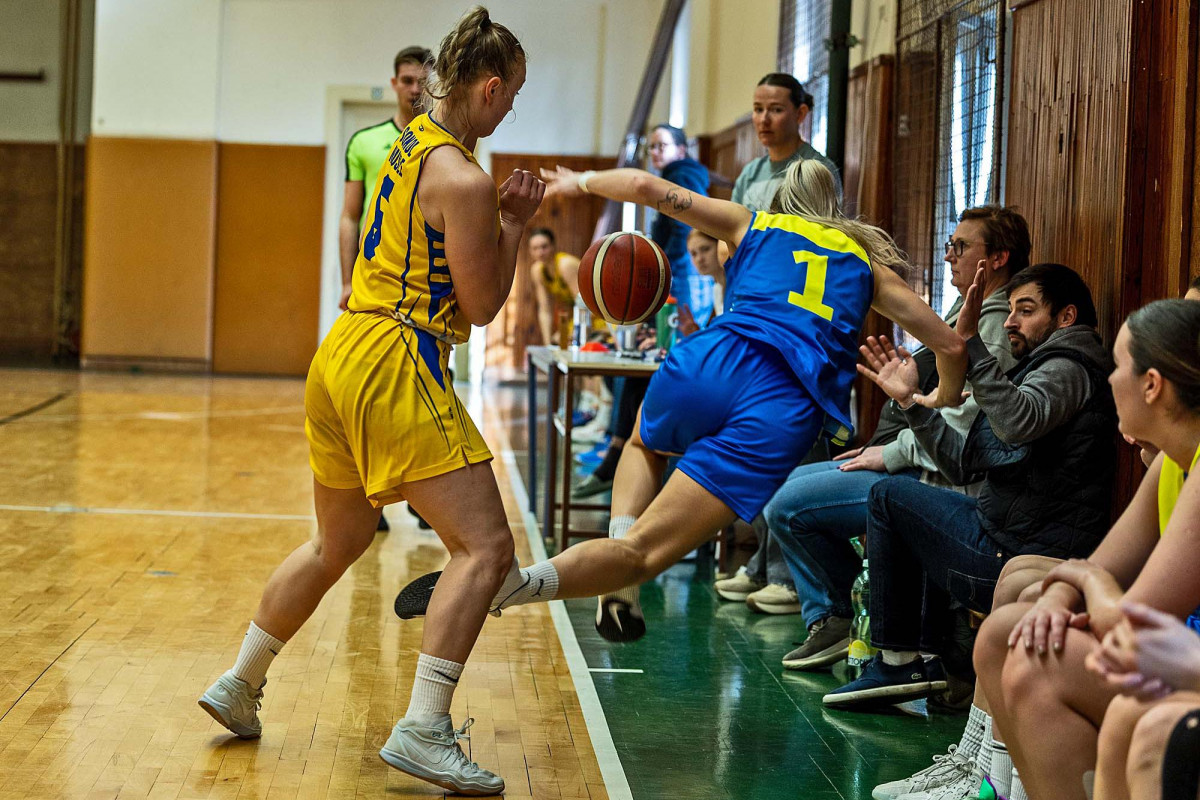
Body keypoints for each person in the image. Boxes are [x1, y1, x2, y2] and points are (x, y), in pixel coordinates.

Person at [394, 156, 973, 656]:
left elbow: (649, 190)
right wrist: (938, 400)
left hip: (718, 359)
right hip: (785, 410)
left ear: (780, 199)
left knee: (644, 444)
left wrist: (582, 181)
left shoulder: (754, 223)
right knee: (643, 555)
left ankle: (614, 566)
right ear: (836, 209)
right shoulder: (867, 270)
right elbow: (950, 344)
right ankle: (518, 586)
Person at [197, 8, 542, 796]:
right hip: (397, 357)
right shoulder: (463, 176)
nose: (512, 107)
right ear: (488, 88)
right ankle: (424, 729)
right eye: (512, 93)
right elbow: (484, 306)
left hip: (342, 348)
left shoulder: (402, 147)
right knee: (485, 550)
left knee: (338, 538)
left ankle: (240, 682)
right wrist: (515, 225)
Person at [828, 264, 1117, 714]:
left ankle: (904, 663)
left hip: (1023, 553)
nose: (1009, 321)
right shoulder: (1038, 367)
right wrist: (909, 403)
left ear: (1065, 317)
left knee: (888, 497)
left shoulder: (1068, 366)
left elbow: (1020, 420)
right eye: (1010, 310)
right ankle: (919, 660)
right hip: (1006, 536)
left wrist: (970, 349)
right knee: (896, 497)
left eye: (1026, 310)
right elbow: (962, 465)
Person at [765, 206, 1027, 667]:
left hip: (929, 479)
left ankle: (840, 614)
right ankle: (842, 612)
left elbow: (963, 433)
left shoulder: (996, 328)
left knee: (786, 503)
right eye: (949, 245)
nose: (949, 256)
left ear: (999, 258)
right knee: (782, 491)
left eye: (961, 247)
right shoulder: (962, 309)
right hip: (905, 459)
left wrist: (891, 452)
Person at [970, 299, 1200, 800]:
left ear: (1152, 384)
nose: (1109, 380)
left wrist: (1087, 586)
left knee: (1038, 662)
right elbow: (1097, 565)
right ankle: (993, 785)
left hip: (1187, 663)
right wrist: (1058, 596)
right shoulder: (1172, 464)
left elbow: (1134, 623)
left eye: (1117, 367)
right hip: (1180, 658)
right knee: (1007, 630)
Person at [571, 123, 712, 498]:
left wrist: (582, 180)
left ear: (682, 149)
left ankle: (629, 453)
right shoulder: (684, 175)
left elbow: (644, 193)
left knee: (649, 365)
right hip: (673, 282)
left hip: (675, 284)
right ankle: (618, 446)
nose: (655, 152)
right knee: (636, 363)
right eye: (651, 147)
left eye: (662, 145)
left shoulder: (680, 175)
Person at [338, 45, 432, 533]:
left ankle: (424, 495)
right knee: (372, 393)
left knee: (431, 384)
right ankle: (369, 500)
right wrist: (344, 280)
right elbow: (350, 216)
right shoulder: (367, 142)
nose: (415, 88)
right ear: (394, 83)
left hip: (423, 290)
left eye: (422, 80)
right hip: (374, 289)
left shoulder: (439, 143)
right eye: (407, 80)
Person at [732, 73, 842, 212]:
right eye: (758, 109)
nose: (764, 120)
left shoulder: (819, 169)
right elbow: (731, 227)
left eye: (776, 109)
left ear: (800, 113)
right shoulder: (749, 173)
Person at [527, 227, 581, 346]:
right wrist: (548, 345)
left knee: (561, 339)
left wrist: (567, 331)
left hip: (597, 318)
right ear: (530, 251)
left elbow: (585, 304)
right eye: (535, 248)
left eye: (544, 247)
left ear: (553, 246)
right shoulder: (537, 271)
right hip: (578, 319)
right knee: (556, 342)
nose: (540, 252)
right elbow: (545, 310)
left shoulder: (565, 265)